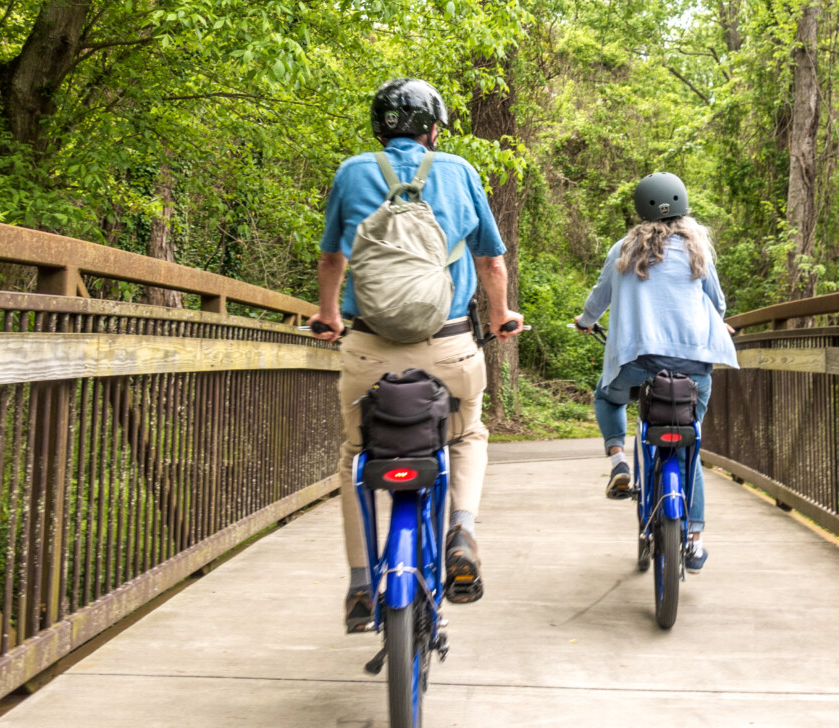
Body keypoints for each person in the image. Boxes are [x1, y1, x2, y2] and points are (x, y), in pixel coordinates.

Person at [312, 78, 524, 632]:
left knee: (356, 457)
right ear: (433, 129)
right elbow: (492, 263)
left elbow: (333, 259)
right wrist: (499, 317)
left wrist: (331, 315)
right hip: (449, 349)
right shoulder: (458, 172)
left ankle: (361, 583)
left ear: (378, 127)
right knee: (469, 434)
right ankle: (460, 530)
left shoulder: (353, 171)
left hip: (368, 353)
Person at [573, 172, 737, 573]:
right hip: (692, 367)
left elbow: (599, 298)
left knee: (606, 396)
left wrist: (584, 320)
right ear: (683, 207)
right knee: (688, 444)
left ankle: (619, 464)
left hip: (638, 363)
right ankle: (695, 540)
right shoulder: (698, 250)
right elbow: (717, 303)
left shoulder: (623, 250)